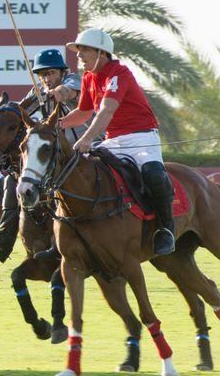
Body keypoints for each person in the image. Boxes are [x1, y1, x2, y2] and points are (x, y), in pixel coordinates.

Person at [58, 28, 175, 256]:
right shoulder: (88, 78)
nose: (79, 56)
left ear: (101, 53)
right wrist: (54, 124)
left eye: (84, 50)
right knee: (76, 171)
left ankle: (165, 228)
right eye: (78, 51)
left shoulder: (119, 73)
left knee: (153, 174)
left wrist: (87, 138)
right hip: (112, 141)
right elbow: (83, 113)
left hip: (142, 137)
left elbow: (107, 110)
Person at [0, 48, 82, 261]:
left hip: (84, 147)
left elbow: (67, 92)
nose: (46, 79)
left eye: (50, 73)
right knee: (15, 180)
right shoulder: (37, 91)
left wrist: (57, 92)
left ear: (62, 71)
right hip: (55, 154)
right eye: (42, 75)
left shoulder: (72, 81)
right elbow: (15, 114)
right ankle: (2, 238)